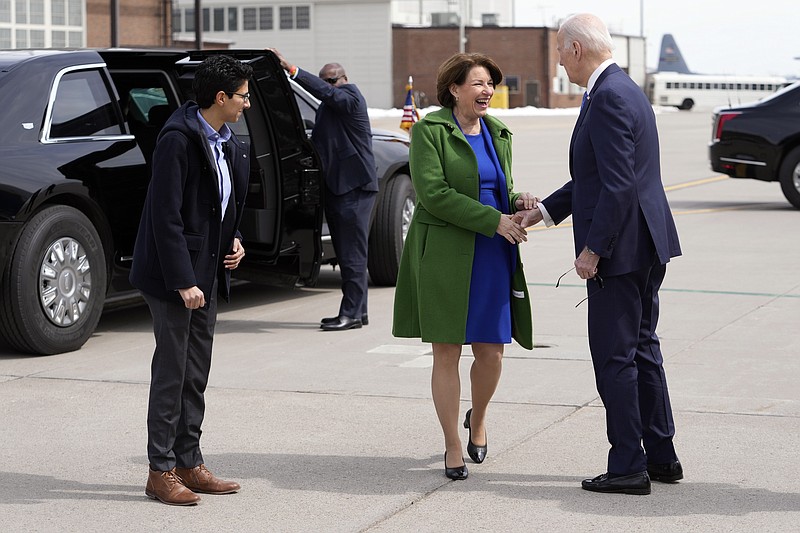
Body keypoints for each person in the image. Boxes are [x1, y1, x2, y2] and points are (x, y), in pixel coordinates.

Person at [516, 13, 684, 495]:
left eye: (558, 52)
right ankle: (661, 456)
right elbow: (597, 178)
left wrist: (594, 249)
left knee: (615, 358)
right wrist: (545, 212)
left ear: (574, 50)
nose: (559, 62)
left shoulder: (607, 96)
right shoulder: (623, 88)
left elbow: (617, 185)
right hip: (646, 242)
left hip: (622, 249)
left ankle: (628, 464)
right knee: (643, 350)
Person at [392, 53, 535, 480]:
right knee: (447, 350)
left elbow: (498, 188)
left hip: (493, 252)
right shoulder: (427, 132)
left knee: (491, 351)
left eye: (491, 83)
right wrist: (494, 220)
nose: (487, 90)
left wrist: (518, 202)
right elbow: (433, 195)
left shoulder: (498, 132)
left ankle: (480, 416)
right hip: (445, 253)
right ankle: (452, 442)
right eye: (478, 83)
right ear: (454, 89)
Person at [129, 54, 253, 506]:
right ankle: (159, 470)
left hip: (206, 270)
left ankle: (189, 462)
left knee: (195, 373)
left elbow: (221, 204)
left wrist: (234, 237)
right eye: (242, 96)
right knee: (172, 371)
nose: (247, 104)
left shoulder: (229, 140)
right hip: (172, 274)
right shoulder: (178, 140)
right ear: (221, 97)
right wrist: (183, 280)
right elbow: (165, 217)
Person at [269, 49, 378, 331]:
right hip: (341, 189)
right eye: (325, 81)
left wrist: (293, 70)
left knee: (352, 255)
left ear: (344, 79)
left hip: (353, 188)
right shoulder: (331, 106)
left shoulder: (350, 97)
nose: (328, 86)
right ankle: (358, 311)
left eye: (332, 80)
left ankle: (351, 314)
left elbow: (331, 96)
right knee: (348, 253)